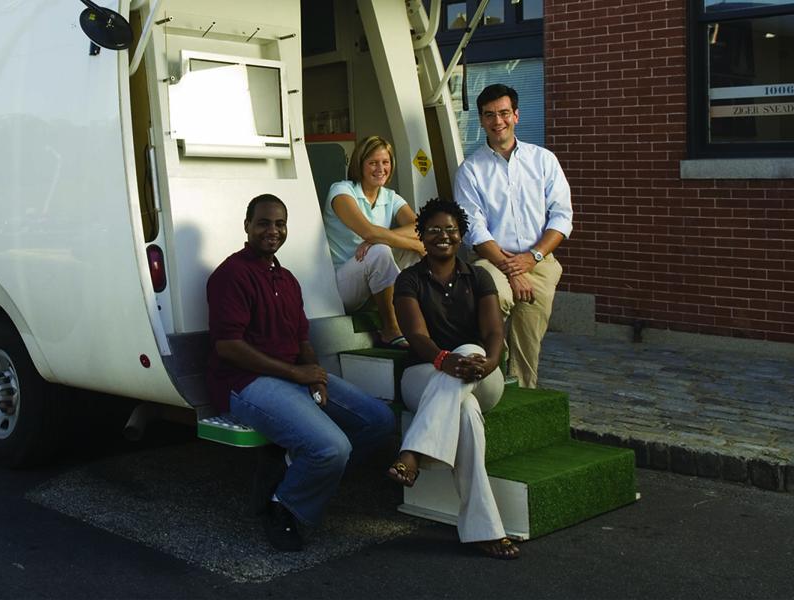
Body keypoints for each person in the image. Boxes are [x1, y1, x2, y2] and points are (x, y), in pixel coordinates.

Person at [206, 194, 396, 552]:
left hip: (290, 374)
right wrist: (296, 374)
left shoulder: (287, 279)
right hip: (244, 382)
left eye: (280, 224)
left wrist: (316, 374)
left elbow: (300, 338)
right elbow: (228, 347)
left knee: (379, 421)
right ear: (246, 226)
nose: (272, 231)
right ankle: (283, 508)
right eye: (263, 222)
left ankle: (294, 470)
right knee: (331, 447)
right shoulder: (231, 275)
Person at [387, 198, 519, 560]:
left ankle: (412, 452)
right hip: (424, 374)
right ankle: (485, 530)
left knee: (468, 351)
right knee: (466, 415)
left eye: (450, 230)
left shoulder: (479, 276)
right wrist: (444, 360)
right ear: (422, 237)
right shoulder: (409, 280)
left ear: (460, 236)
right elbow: (416, 336)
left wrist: (490, 362)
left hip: (483, 374)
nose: (442, 236)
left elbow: (494, 332)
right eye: (433, 230)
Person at [453, 84, 573, 389]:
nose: (498, 121)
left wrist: (531, 258)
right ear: (481, 120)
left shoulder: (543, 161)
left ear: (516, 115)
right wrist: (512, 269)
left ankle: (521, 388)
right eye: (490, 115)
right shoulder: (470, 170)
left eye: (504, 113)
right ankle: (490, 377)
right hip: (490, 258)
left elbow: (562, 216)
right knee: (499, 297)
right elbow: (474, 229)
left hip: (538, 258)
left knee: (529, 327)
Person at [323, 135, 425, 348]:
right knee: (382, 250)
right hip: (342, 287)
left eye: (385, 162)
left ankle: (418, 321)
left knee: (403, 251)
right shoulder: (341, 191)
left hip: (376, 282)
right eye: (373, 163)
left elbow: (421, 228)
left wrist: (381, 238)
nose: (380, 168)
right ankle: (390, 328)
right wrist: (407, 242)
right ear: (360, 165)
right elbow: (368, 231)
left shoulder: (390, 197)